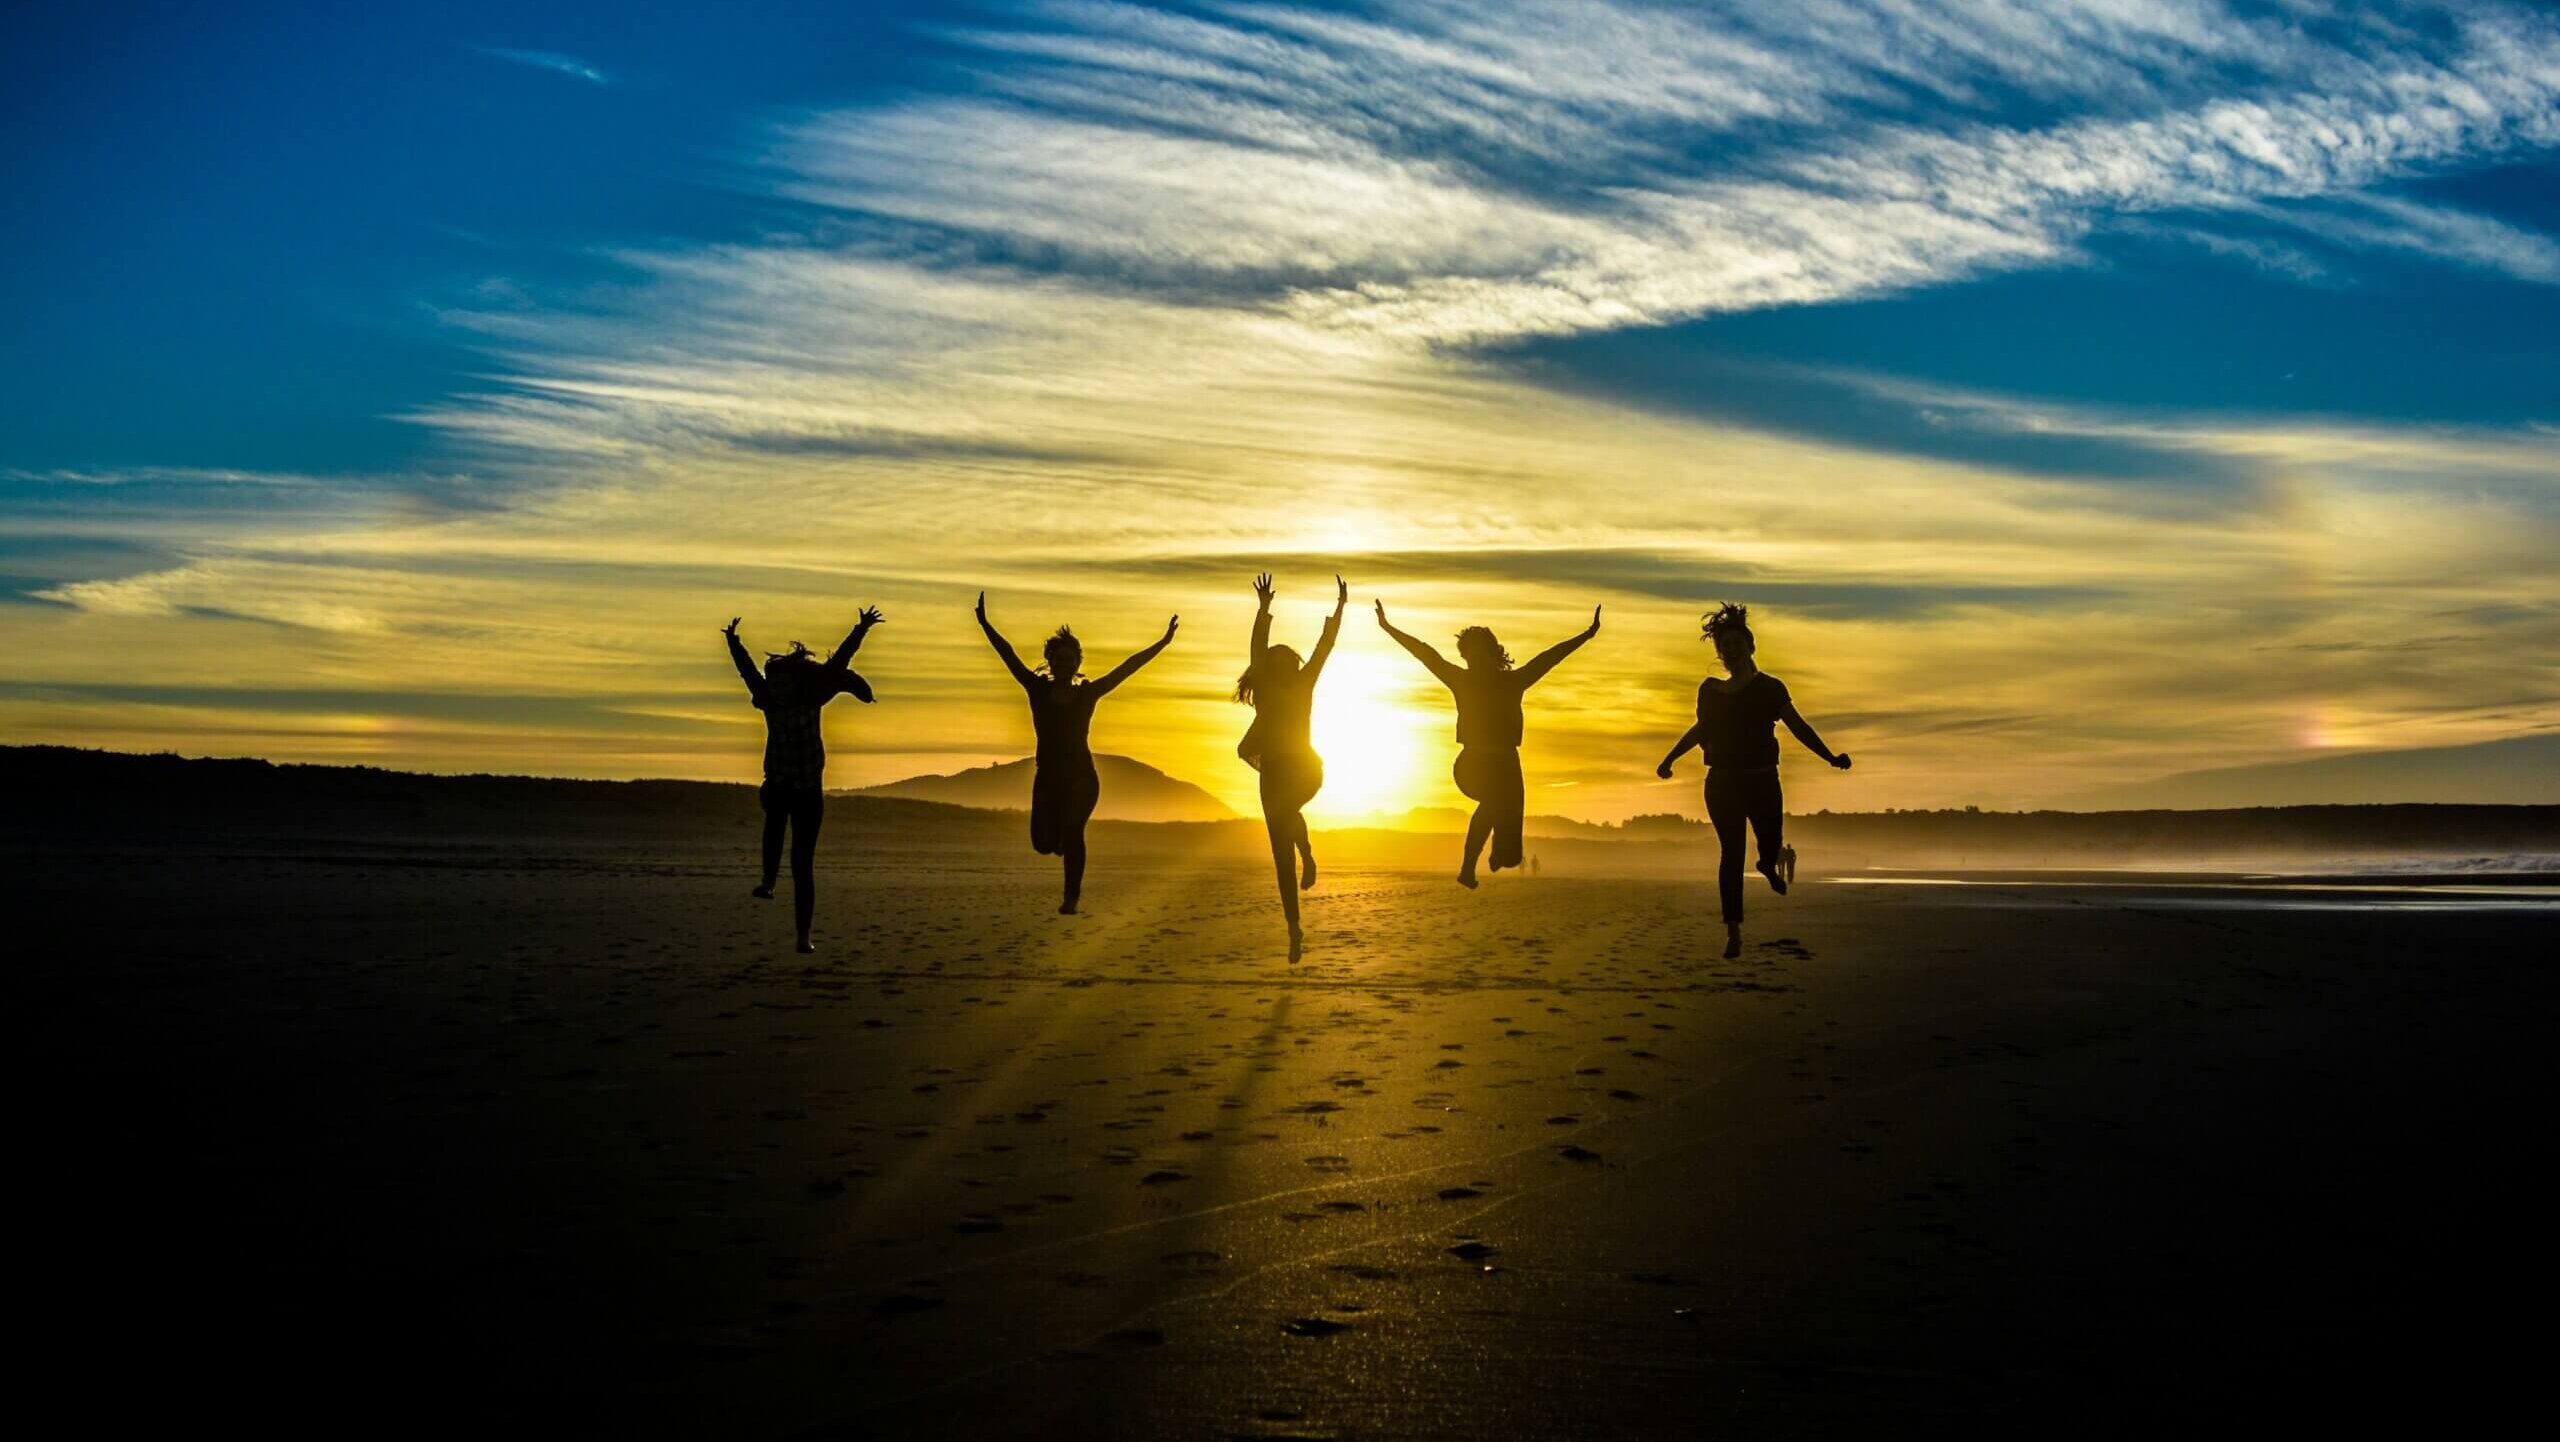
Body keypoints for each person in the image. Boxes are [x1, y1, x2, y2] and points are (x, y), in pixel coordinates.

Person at [1656, 603, 1850, 960]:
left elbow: (1798, 726)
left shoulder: (1770, 689)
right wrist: (1670, 758)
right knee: (1731, 853)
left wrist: (1830, 757)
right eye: (1724, 645)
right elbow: (1702, 730)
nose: (1731, 650)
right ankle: (1733, 932)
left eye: (1736, 643)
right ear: (1720, 652)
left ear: (1750, 646)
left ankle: (1766, 863)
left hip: (1763, 782)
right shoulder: (1710, 691)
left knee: (1770, 842)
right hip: (1722, 783)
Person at [976, 592, 1177, 914]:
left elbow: (1127, 668)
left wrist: (1163, 642)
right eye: (1060, 658)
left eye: (1071, 660)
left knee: (1073, 830)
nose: (1066, 664)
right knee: (1042, 844)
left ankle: (1071, 897)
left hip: (1082, 776)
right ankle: (1059, 843)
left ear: (1077, 663)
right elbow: (1008, 655)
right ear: (1051, 660)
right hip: (1047, 777)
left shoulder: (1088, 694)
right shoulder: (1036, 688)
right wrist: (985, 624)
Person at [1377, 599, 1600, 888]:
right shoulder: (1460, 679)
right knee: (1493, 801)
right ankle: (1467, 867)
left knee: (1510, 856)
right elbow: (1424, 653)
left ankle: (1498, 852)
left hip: (1507, 764)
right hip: (1473, 763)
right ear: (1465, 656)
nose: (1473, 659)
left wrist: (1587, 634)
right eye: (1468, 654)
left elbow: (1549, 658)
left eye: (1478, 652)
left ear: (1490, 653)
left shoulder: (1513, 681)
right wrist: (1388, 627)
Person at [725, 606, 882, 953]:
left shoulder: (812, 696)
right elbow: (747, 673)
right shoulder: (767, 700)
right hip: (779, 784)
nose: (775, 688)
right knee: (774, 818)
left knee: (802, 864)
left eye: (781, 682)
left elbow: (838, 664)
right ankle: (767, 880)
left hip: (809, 792)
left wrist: (861, 629)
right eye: (773, 683)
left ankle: (803, 936)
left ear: (794, 682)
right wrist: (733, 643)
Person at [1235, 572, 1345, 961]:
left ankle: (1308, 850)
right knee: (1281, 857)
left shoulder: (1304, 684)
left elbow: (1323, 650)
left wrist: (1338, 610)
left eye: (1286, 659)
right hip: (1273, 775)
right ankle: (1294, 930)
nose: (1281, 663)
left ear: (1292, 665)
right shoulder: (1264, 688)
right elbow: (1256, 648)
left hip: (1305, 768)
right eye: (1274, 660)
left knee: (1287, 812)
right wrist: (1263, 610)